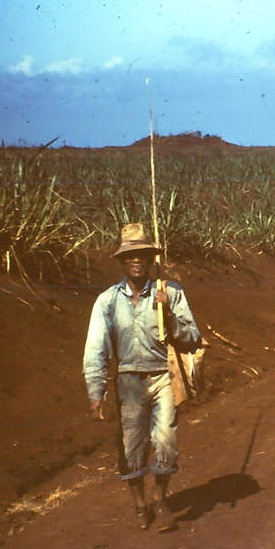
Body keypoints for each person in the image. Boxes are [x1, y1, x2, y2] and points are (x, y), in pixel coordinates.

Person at [83, 223, 202, 530]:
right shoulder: (107, 301)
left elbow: (192, 338)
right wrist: (95, 391)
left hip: (163, 376)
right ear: (122, 261)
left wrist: (170, 315)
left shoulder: (170, 292)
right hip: (128, 382)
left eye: (142, 255)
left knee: (165, 441)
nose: (136, 260)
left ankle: (161, 499)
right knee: (131, 446)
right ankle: (140, 506)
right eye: (130, 256)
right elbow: (95, 348)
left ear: (151, 259)